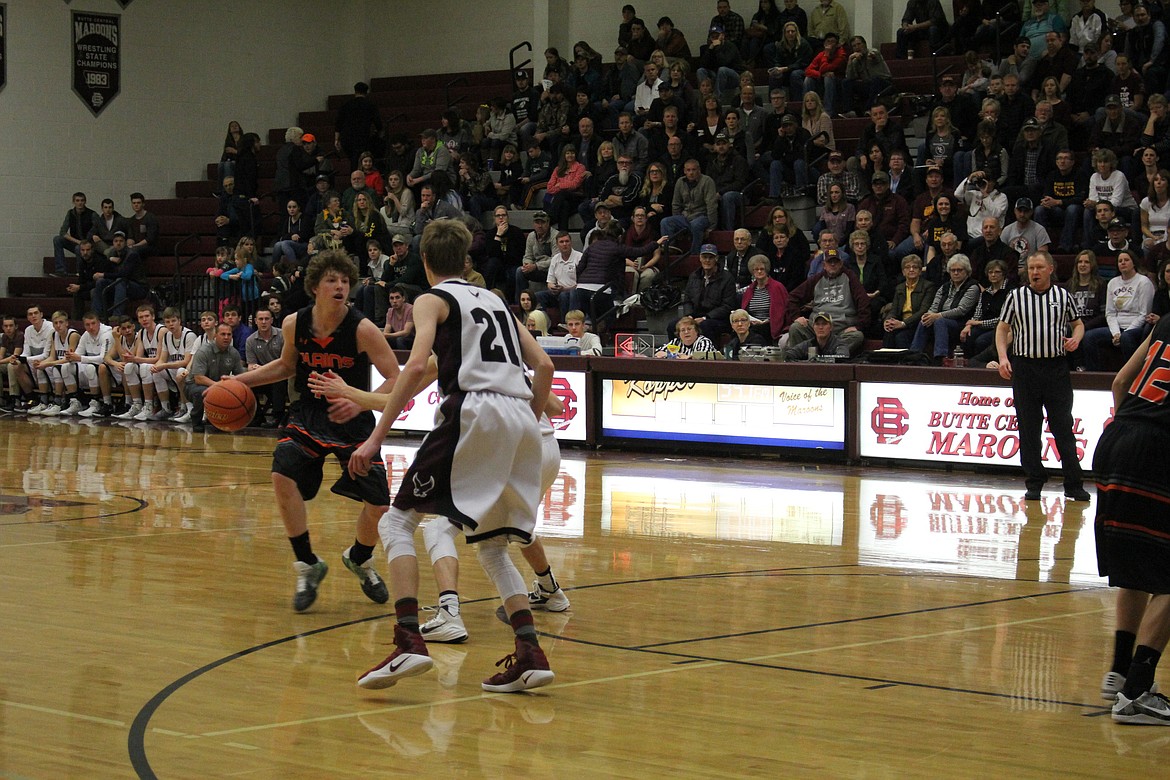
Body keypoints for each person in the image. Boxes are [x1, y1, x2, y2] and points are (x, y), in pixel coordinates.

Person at [346, 218, 556, 693]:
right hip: (523, 418)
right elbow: (543, 364)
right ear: (465, 259)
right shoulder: (499, 300)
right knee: (493, 544)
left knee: (396, 523)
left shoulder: (431, 299)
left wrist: (377, 436)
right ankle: (530, 652)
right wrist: (525, 421)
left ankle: (407, 642)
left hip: (473, 410)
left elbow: (416, 364)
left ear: (424, 261)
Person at [230, 250, 402, 612]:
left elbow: (396, 379)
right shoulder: (295, 323)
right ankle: (307, 563)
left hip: (352, 420)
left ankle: (359, 558)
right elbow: (286, 366)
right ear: (315, 287)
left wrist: (361, 400)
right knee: (281, 476)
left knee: (378, 505)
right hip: (308, 415)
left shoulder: (362, 329)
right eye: (331, 280)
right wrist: (237, 382)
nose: (340, 286)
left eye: (344, 280)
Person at [1094, 304, 1170, 725]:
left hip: (1118, 436)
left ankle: (1120, 670)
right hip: (1157, 448)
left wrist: (1131, 428)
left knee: (1137, 569)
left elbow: (1122, 379)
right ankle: (1138, 691)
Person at [994, 250, 1089, 501]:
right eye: (1030, 268)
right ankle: (1034, 481)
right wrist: (1004, 357)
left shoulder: (1062, 295)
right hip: (1025, 368)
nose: (1034, 272)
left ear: (1050, 269)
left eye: (1039, 267)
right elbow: (1002, 329)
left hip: (1056, 368)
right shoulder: (1015, 296)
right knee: (1028, 428)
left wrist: (1076, 339)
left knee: (1063, 427)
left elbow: (1077, 323)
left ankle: (1073, 483)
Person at [785, 250, 871, 355]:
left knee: (857, 336)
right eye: (830, 262)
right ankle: (799, 362)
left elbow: (863, 301)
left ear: (841, 264)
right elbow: (792, 297)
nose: (833, 264)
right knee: (796, 328)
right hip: (817, 326)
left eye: (836, 261)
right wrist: (796, 316)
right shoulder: (816, 279)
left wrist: (859, 326)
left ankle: (827, 358)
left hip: (841, 329)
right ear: (824, 265)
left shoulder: (850, 277)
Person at [1082, 250, 1155, 370]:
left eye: (1126, 260)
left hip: (1137, 328)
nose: (1123, 263)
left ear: (1134, 263)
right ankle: (1095, 374)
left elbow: (1144, 314)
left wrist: (1123, 334)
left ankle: (1132, 374)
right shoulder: (1113, 282)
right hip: (1117, 328)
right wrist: (1116, 333)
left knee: (1127, 338)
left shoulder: (1144, 282)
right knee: (1089, 337)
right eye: (1120, 261)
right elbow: (1110, 313)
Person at [909, 254, 980, 362]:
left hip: (961, 323)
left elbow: (961, 310)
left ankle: (941, 357)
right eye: (953, 270)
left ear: (967, 271)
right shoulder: (944, 287)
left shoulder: (972, 287)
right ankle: (914, 354)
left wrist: (937, 315)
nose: (956, 273)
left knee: (940, 321)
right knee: (924, 320)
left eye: (959, 270)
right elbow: (934, 306)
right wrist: (928, 315)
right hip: (942, 320)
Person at [881, 255, 936, 348]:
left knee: (901, 337)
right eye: (907, 267)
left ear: (919, 271)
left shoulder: (928, 287)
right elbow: (894, 310)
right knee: (889, 332)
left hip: (918, 324)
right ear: (903, 272)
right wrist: (888, 321)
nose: (911, 270)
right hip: (901, 323)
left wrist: (903, 324)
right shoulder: (900, 288)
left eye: (915, 267)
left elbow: (923, 311)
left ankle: (906, 361)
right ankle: (887, 361)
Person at [334, 82, 384, 172]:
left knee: (353, 160)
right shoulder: (370, 105)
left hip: (347, 138)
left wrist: (337, 139)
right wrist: (380, 135)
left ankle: (354, 177)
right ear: (366, 92)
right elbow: (378, 123)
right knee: (360, 160)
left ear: (355, 91)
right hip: (363, 137)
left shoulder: (346, 105)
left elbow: (338, 123)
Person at [741, 254, 789, 343]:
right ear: (752, 271)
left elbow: (781, 312)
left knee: (756, 333)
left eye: (762, 269)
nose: (759, 271)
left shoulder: (777, 287)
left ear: (766, 270)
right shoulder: (749, 289)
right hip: (752, 325)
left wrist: (766, 321)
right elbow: (745, 311)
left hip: (770, 326)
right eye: (756, 269)